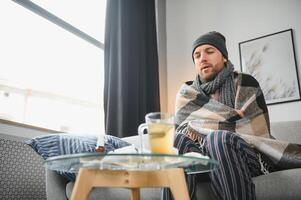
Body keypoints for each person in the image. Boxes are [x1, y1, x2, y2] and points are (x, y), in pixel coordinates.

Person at [162, 31, 277, 200]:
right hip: (200, 161)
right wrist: (228, 118)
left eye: (209, 51)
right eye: (197, 55)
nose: (202, 58)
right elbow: (181, 132)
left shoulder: (245, 83)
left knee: (218, 139)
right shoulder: (187, 93)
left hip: (245, 156)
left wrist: (210, 129)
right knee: (176, 140)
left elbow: (255, 134)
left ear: (223, 56)